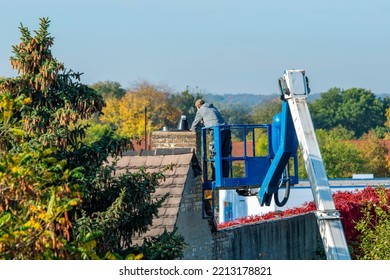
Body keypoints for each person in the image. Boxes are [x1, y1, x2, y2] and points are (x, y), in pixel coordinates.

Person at [190, 99, 231, 179]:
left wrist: (191, 132)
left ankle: (215, 177)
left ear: (198, 106)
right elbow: (213, 120)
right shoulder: (212, 108)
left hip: (217, 131)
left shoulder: (201, 110)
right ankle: (225, 176)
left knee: (214, 153)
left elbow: (194, 126)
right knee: (225, 154)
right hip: (226, 130)